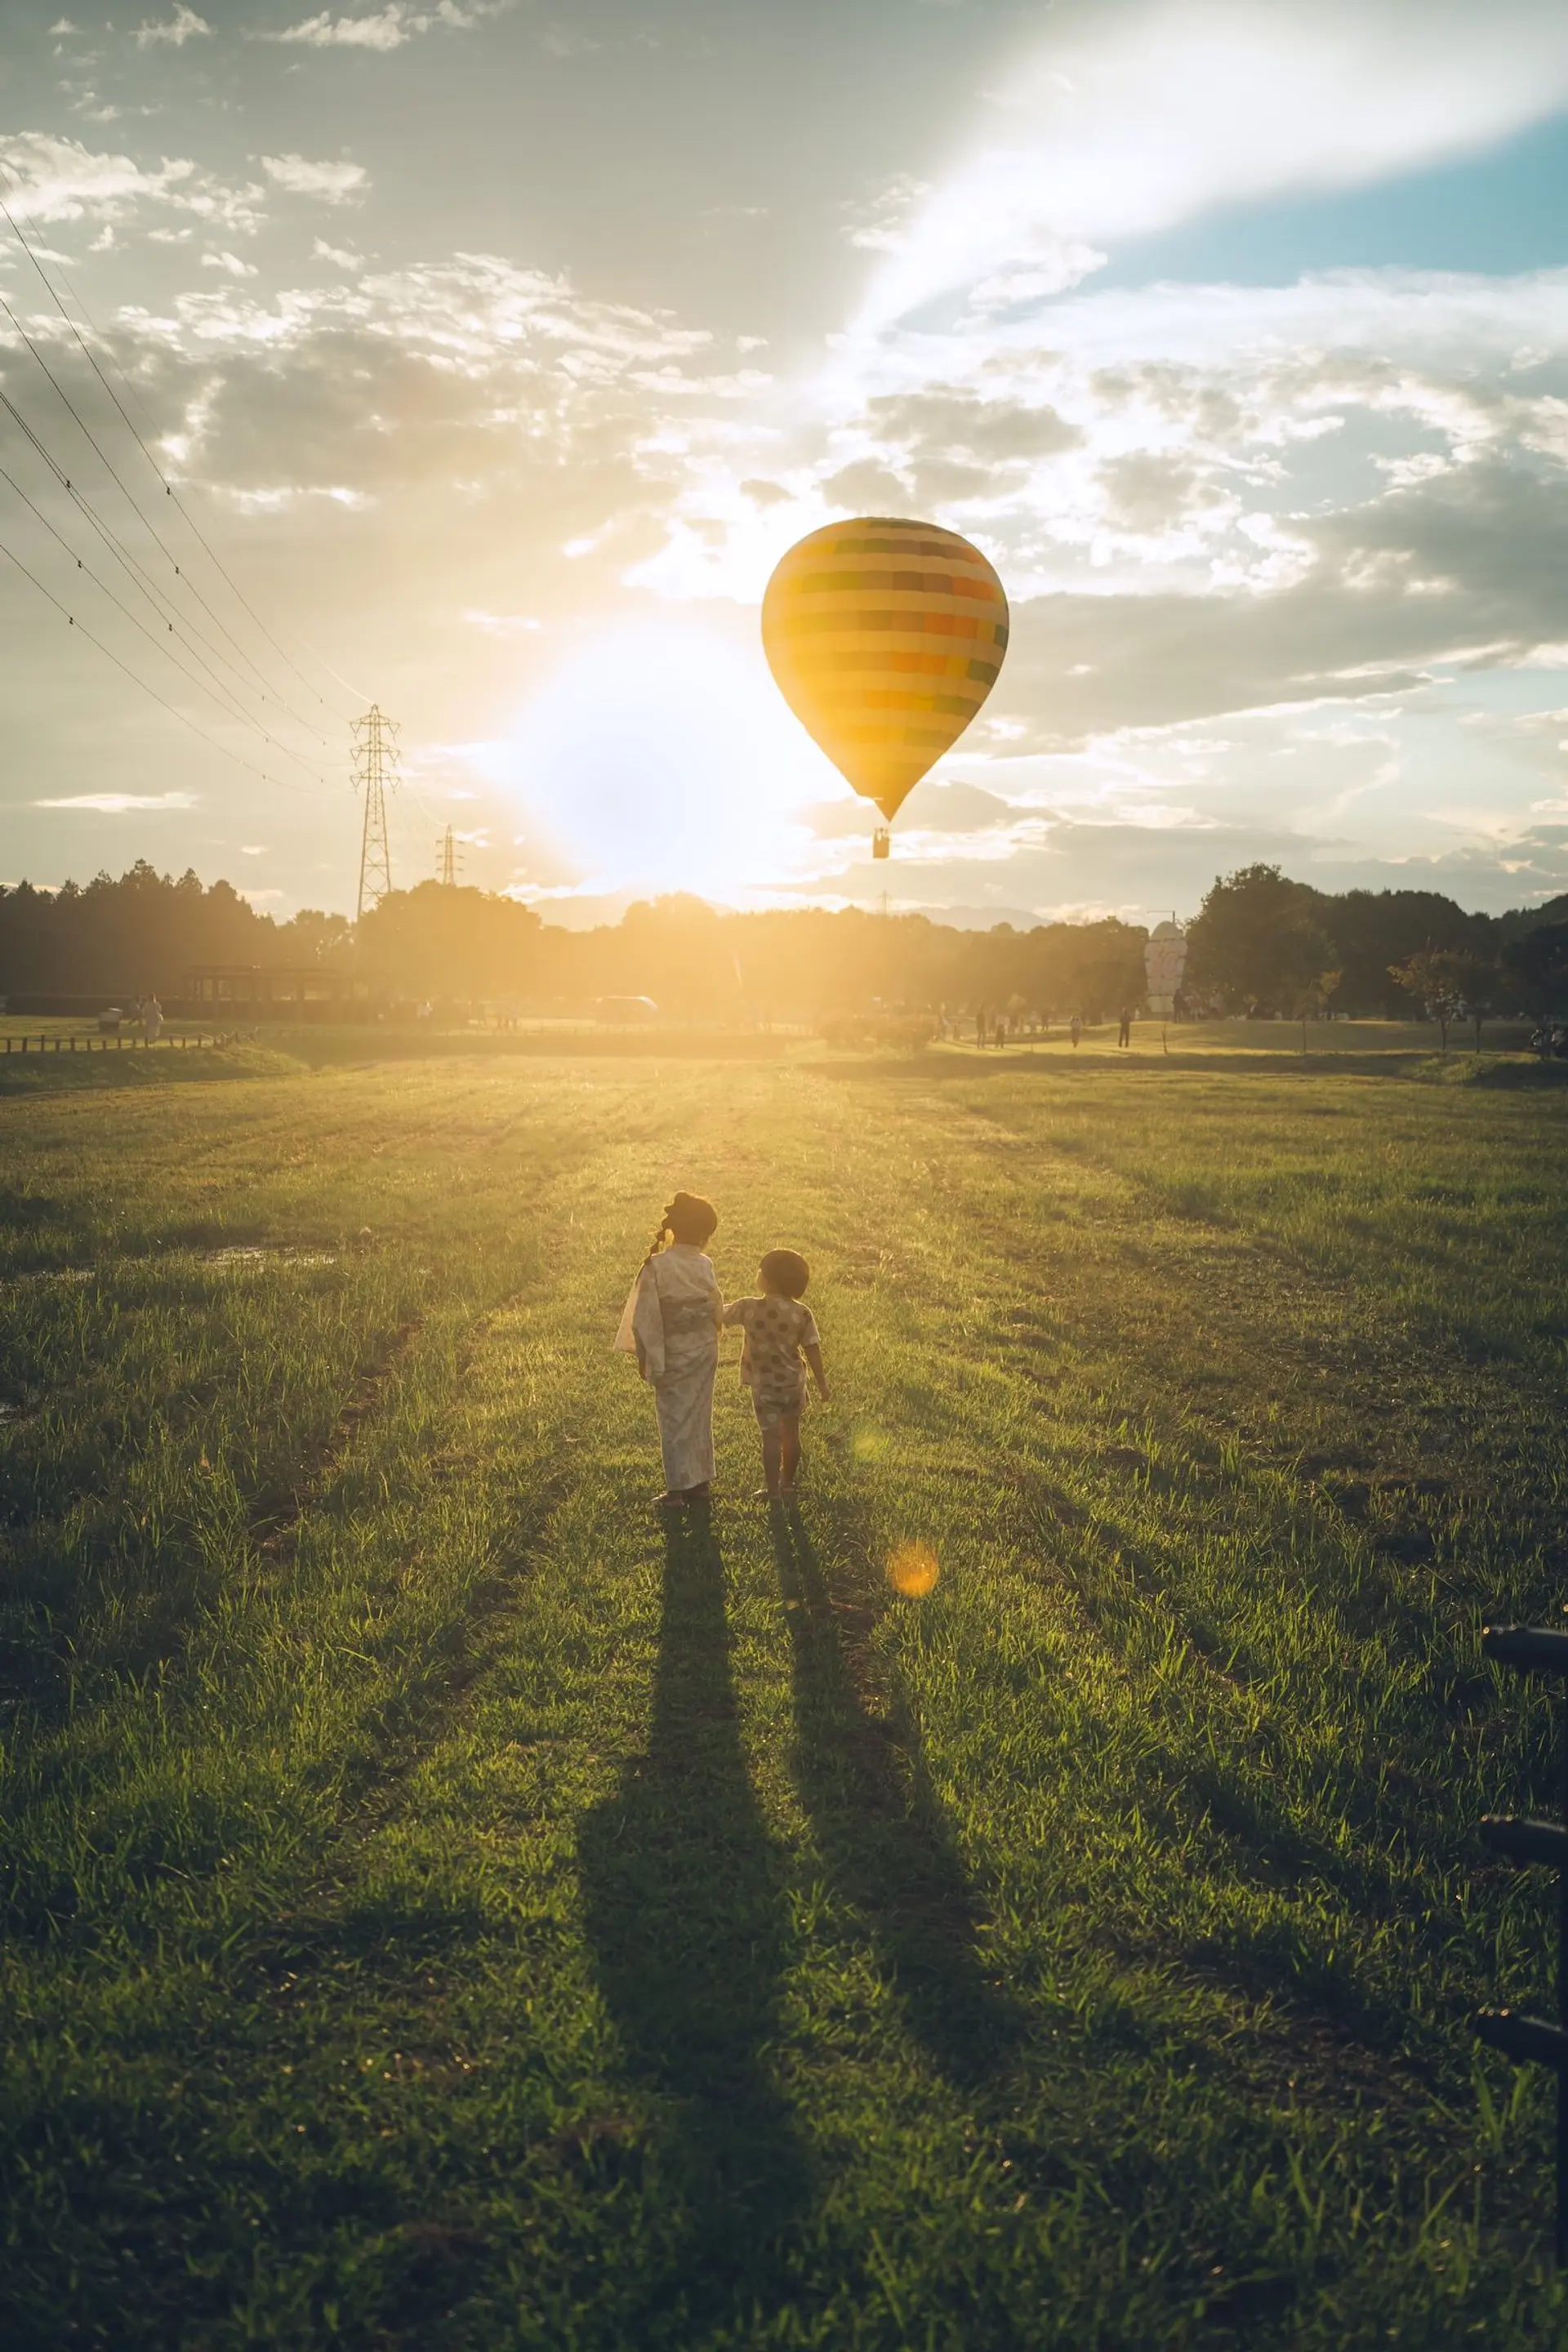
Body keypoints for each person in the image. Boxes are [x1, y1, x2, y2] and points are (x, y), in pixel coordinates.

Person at [616, 1192, 723, 1510]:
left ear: (674, 1230)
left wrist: (645, 1353)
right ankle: (700, 1484)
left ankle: (676, 1491)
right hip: (703, 1350)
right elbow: (715, 1304)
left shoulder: (657, 1267)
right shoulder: (705, 1265)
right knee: (699, 1416)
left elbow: (645, 1316)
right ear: (704, 1236)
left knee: (673, 1418)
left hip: (674, 1351)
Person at [723, 1248, 828, 1502]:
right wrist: (822, 1384)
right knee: (791, 1433)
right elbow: (812, 1348)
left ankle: (772, 1491)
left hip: (765, 1384)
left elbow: (718, 1314)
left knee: (771, 1436)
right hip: (793, 1382)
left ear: (767, 1281)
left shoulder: (748, 1307)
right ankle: (788, 1484)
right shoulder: (802, 1313)